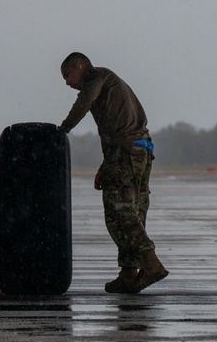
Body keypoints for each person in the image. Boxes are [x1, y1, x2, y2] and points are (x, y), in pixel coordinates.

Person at [58, 52, 168, 294]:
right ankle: (128, 273)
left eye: (68, 74)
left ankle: (151, 265)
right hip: (139, 149)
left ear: (81, 65)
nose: (67, 82)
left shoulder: (96, 77)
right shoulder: (109, 81)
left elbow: (84, 103)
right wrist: (105, 166)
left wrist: (62, 129)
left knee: (120, 212)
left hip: (125, 151)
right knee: (133, 209)